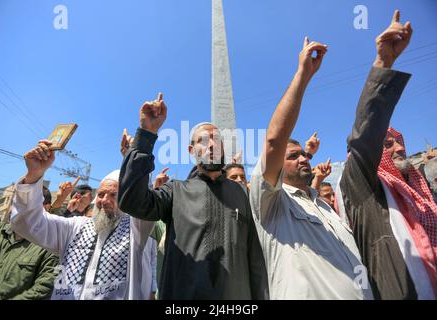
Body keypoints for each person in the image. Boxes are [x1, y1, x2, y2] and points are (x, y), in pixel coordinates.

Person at [249, 35, 373, 299]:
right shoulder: (272, 204)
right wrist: (303, 76)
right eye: (293, 156)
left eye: (305, 155)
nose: (304, 159)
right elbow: (274, 140)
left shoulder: (327, 207)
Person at [118, 93, 268, 300]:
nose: (212, 145)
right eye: (203, 141)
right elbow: (131, 202)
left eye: (216, 140)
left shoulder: (242, 193)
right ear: (191, 150)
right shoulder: (175, 191)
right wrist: (146, 134)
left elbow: (255, 260)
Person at [335, 11, 437, 300]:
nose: (399, 148)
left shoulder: (419, 187)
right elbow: (366, 134)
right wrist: (383, 64)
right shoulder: (364, 186)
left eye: (400, 142)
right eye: (389, 144)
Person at [10, 140, 155, 300]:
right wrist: (34, 175)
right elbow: (27, 223)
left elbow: (143, 202)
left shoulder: (136, 232)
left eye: (114, 195)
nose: (104, 200)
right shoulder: (74, 227)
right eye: (101, 194)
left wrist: (135, 159)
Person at [0, 189, 58, 300]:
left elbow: (44, 288)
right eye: (15, 203)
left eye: (25, 204)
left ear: (45, 208)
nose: (16, 209)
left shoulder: (49, 247)